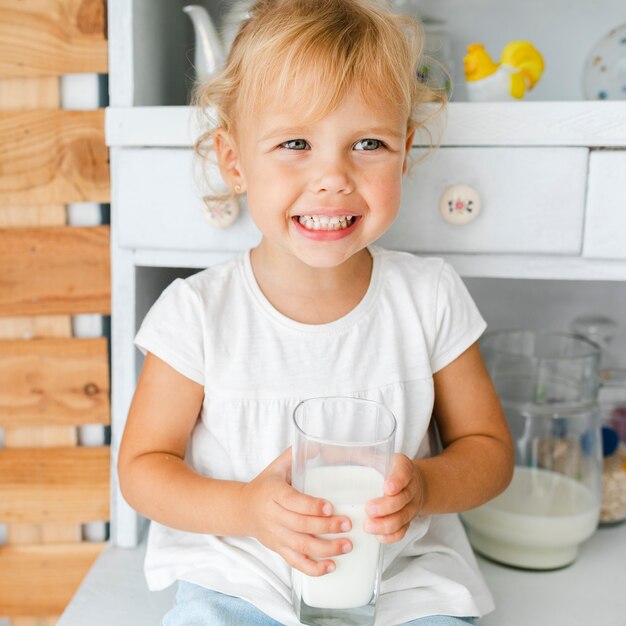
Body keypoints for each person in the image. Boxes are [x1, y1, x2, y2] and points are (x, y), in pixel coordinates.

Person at [117, 1, 514, 624]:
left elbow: (489, 451)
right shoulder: (197, 313)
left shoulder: (428, 297)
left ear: (404, 150)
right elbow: (143, 471)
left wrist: (428, 487)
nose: (333, 177)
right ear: (233, 159)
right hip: (239, 578)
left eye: (368, 143)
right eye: (296, 143)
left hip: (399, 583)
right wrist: (248, 509)